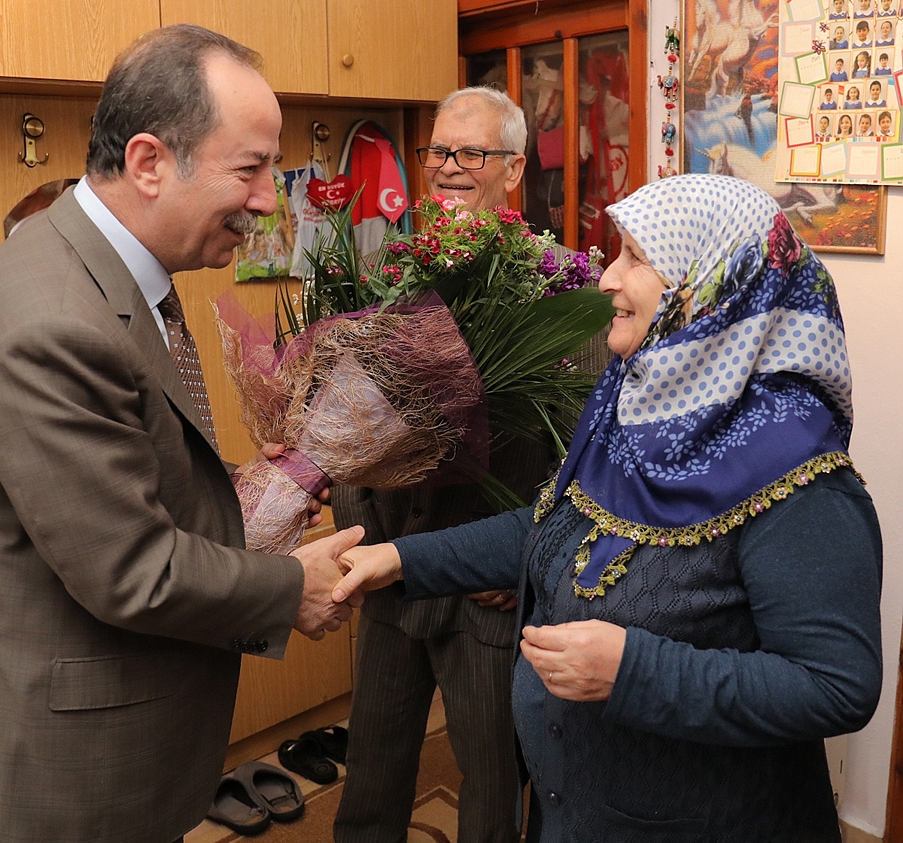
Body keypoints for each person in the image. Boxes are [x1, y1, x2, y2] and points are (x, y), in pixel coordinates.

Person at [332, 174, 883, 842]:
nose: (606, 280)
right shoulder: (635, 408)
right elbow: (552, 522)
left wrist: (634, 671)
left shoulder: (803, 479)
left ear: (709, 286)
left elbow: (835, 685)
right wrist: (394, 558)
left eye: (635, 258)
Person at [0, 24, 365, 843]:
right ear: (149, 162)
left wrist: (235, 485)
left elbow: (111, 471)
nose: (272, 198)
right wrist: (290, 588)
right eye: (252, 168)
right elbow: (128, 567)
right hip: (80, 750)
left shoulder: (105, 274)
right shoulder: (53, 324)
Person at [331, 86, 562, 843]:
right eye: (438, 152)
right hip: (393, 575)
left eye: (471, 153)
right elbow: (349, 425)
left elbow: (585, 452)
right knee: (370, 777)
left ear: (515, 167)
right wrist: (359, 529)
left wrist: (526, 559)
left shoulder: (562, 285)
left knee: (494, 793)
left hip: (486, 594)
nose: (449, 169)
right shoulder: (395, 275)